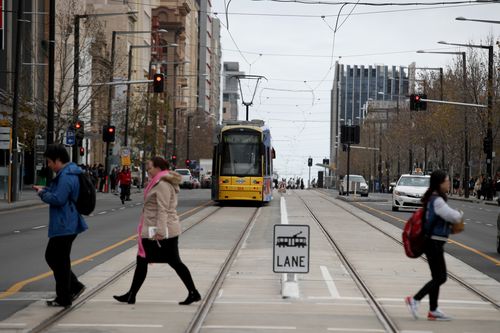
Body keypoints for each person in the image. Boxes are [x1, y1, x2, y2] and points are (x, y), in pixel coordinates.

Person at [113, 157, 201, 305]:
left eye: (150, 167)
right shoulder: (157, 183)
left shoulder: (162, 185)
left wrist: (160, 232)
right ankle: (131, 294)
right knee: (142, 260)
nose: (148, 170)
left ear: (159, 168)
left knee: (174, 262)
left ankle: (193, 292)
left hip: (162, 231)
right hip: (156, 228)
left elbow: (163, 209)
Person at [33, 144, 88, 308]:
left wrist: (42, 193)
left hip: (65, 223)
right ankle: (71, 289)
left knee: (56, 258)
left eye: (49, 162)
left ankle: (65, 295)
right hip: (68, 222)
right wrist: (47, 189)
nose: (49, 165)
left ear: (58, 160)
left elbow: (59, 199)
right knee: (58, 259)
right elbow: (61, 193)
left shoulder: (66, 175)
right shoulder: (69, 172)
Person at [405, 170, 463, 321]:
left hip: (433, 242)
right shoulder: (437, 200)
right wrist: (460, 214)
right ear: (440, 183)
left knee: (436, 277)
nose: (449, 183)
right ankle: (415, 299)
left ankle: (433, 310)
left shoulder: (433, 198)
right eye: (447, 180)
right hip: (433, 243)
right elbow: (453, 216)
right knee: (441, 277)